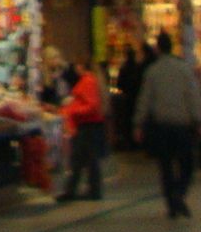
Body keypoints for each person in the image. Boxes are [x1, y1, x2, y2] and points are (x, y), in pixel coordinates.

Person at [134, 31, 201, 219]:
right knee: (187, 164)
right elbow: (193, 96)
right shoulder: (184, 69)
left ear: (158, 49)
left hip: (161, 126)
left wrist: (138, 124)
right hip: (182, 125)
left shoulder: (152, 71)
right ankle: (179, 194)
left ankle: (172, 204)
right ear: (172, 47)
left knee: (165, 167)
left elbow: (144, 100)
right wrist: (199, 120)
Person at [56, 61, 108, 202]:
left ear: (82, 66)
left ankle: (74, 190)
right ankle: (88, 189)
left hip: (87, 124)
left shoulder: (87, 81)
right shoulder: (92, 80)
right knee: (87, 159)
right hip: (90, 124)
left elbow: (91, 105)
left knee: (81, 158)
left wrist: (73, 110)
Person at [114, 47, 146, 151]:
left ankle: (130, 142)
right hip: (137, 97)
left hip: (127, 98)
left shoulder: (124, 68)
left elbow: (119, 84)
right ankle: (138, 143)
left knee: (127, 121)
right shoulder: (139, 68)